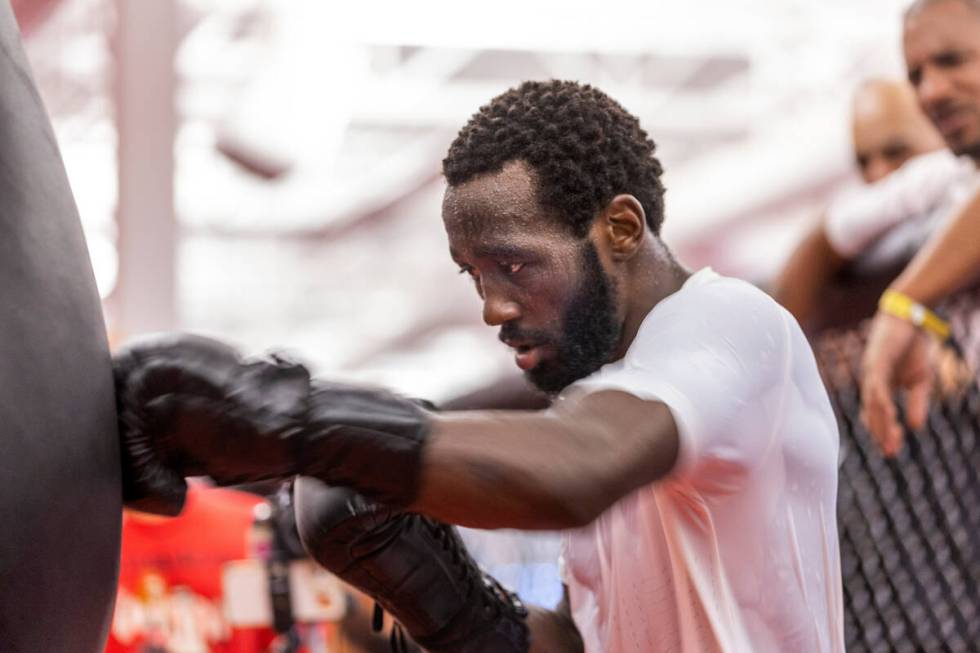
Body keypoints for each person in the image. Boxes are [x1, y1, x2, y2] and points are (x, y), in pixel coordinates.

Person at [114, 80, 845, 652]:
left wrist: (281, 417)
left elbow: (576, 467)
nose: (493, 307)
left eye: (514, 264)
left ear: (620, 228)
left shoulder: (731, 324)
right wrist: (448, 606)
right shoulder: (610, 397)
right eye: (473, 275)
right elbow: (579, 641)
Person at [859, 0, 980, 456]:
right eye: (915, 76)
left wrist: (905, 305)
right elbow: (824, 238)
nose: (931, 91)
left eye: (952, 60)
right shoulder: (943, 180)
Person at [773, 79, 950, 331]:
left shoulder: (957, 181)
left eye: (895, 151)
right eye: (863, 162)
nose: (878, 173)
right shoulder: (858, 253)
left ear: (945, 131)